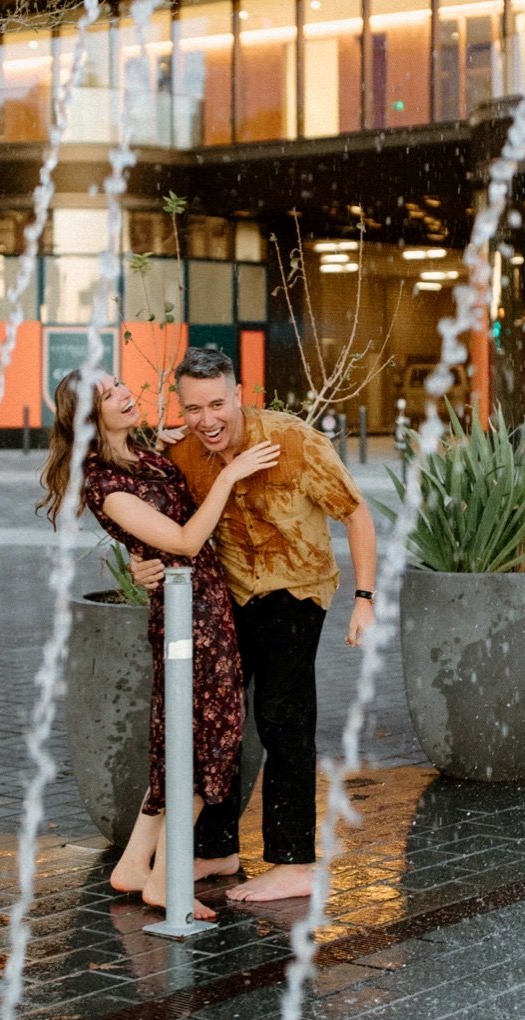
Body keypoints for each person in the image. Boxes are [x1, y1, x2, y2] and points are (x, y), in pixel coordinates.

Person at [133, 347, 377, 902]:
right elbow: (158, 524)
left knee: (282, 715)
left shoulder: (292, 440)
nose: (207, 419)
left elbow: (355, 511)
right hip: (229, 594)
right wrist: (139, 561)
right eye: (193, 409)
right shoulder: (184, 453)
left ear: (238, 393)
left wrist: (365, 597)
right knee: (219, 720)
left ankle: (295, 864)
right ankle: (216, 850)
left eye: (217, 403)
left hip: (297, 590)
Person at [39, 372, 279, 919]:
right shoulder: (105, 483)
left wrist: (167, 443)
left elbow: (159, 518)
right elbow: (185, 540)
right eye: (108, 395)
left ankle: (133, 866)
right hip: (187, 617)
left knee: (184, 739)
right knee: (205, 742)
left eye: (119, 383)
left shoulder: (139, 456)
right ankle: (167, 880)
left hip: (202, 604)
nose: (124, 393)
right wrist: (231, 475)